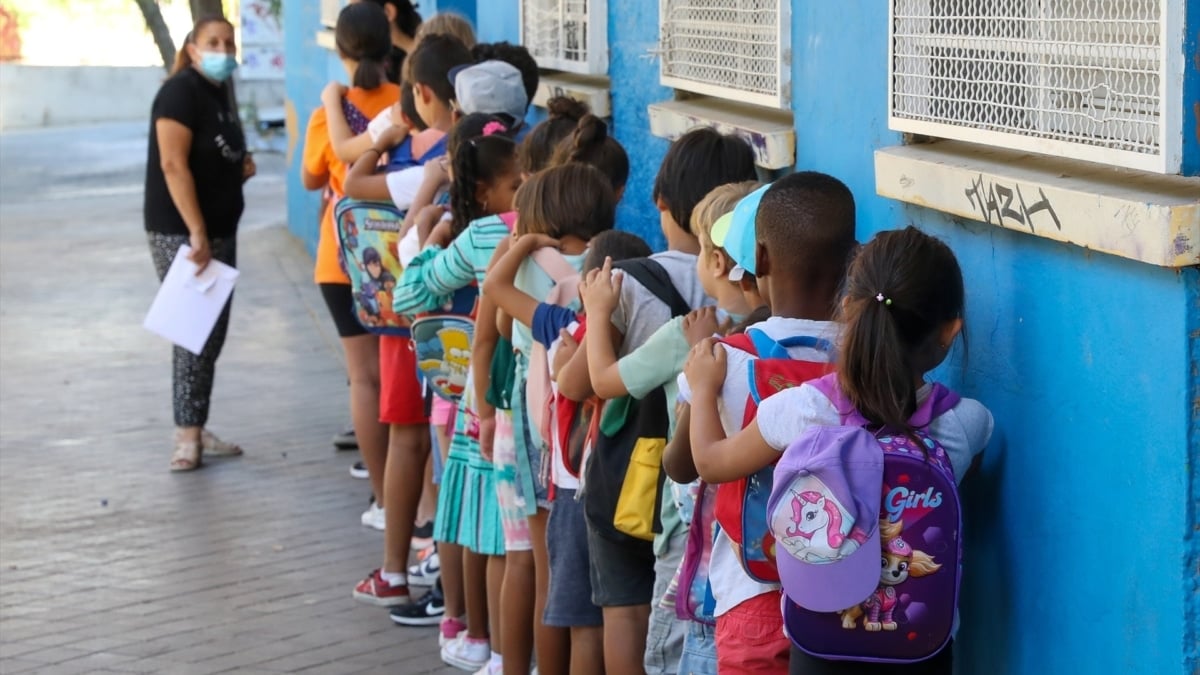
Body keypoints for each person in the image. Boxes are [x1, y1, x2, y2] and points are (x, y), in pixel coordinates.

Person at [689, 225, 993, 675]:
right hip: (919, 649)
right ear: (950, 332)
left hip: (820, 646)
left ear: (849, 310)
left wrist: (702, 389)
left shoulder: (802, 409)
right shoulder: (968, 423)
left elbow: (710, 463)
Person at [560, 128, 756, 675]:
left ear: (662, 202)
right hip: (746, 512)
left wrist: (596, 312)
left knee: (632, 615)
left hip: (652, 489)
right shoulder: (762, 317)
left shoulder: (639, 289)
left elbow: (588, 382)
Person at [676, 172, 857, 673]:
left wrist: (702, 388)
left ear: (757, 260)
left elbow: (680, 466)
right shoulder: (867, 358)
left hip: (752, 590)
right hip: (849, 593)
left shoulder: (726, 360)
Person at [347, 32, 473, 610]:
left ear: (420, 92)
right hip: (474, 328)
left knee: (409, 438)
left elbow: (353, 186)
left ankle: (399, 570)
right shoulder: (487, 154)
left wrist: (384, 142)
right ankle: (449, 581)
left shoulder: (425, 158)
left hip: (410, 327)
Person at [481, 162, 617, 675]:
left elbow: (496, 306)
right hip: (599, 438)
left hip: (547, 438)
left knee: (548, 573)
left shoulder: (535, 266)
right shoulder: (610, 268)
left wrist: (519, 245)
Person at [301, 1, 400, 524]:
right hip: (399, 261)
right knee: (401, 378)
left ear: (339, 51)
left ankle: (384, 499)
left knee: (363, 380)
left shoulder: (327, 115)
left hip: (341, 264)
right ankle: (412, 497)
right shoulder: (407, 105)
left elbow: (311, 180)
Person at [144, 15, 254, 472]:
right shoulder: (179, 93)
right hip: (183, 231)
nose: (223, 50)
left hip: (219, 230)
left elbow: (220, 152)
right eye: (213, 42)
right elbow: (173, 165)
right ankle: (186, 436)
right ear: (192, 48)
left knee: (213, 331)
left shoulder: (218, 93)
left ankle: (196, 423)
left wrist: (240, 168)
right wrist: (196, 232)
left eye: (229, 43)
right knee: (194, 329)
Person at [356, 0, 422, 83]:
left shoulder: (430, 57)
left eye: (359, 12)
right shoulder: (373, 59)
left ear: (388, 12)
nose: (352, 22)